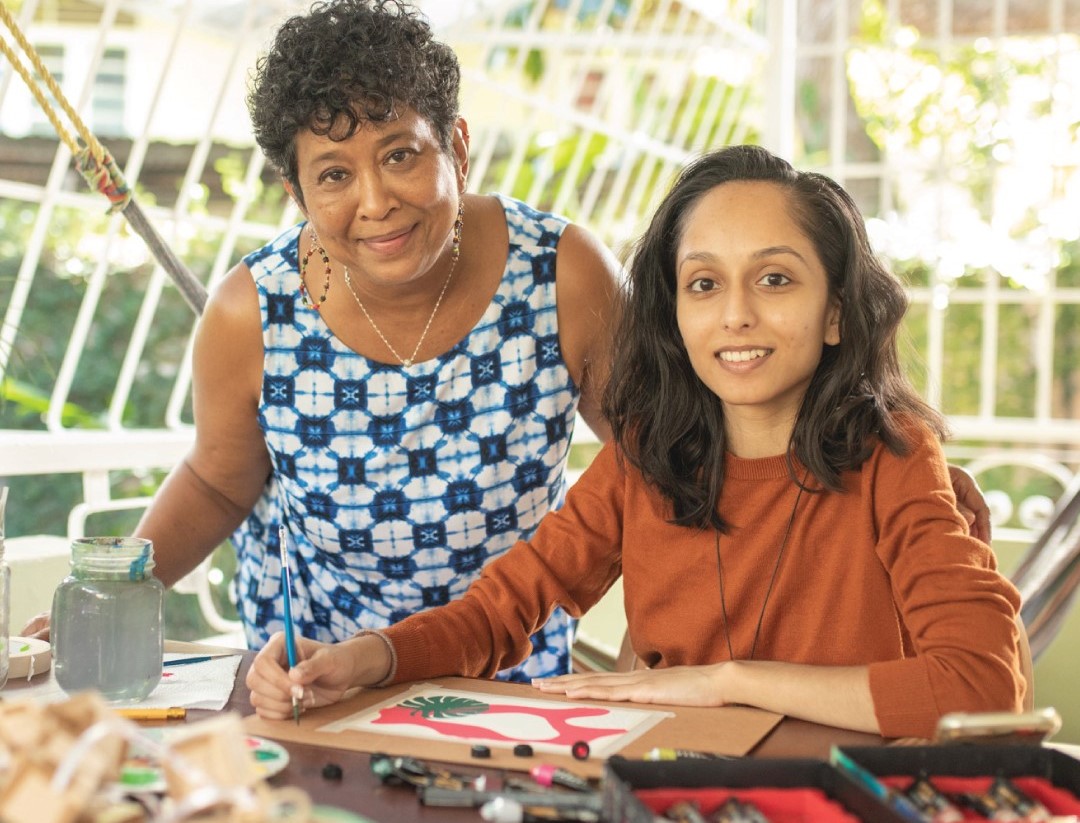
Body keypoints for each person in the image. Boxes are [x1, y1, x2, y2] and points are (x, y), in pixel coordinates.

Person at [22, 1, 992, 679]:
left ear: (457, 145)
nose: (375, 201)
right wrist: (109, 591)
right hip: (313, 669)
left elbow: (670, 449)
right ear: (295, 191)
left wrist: (888, 466)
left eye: (402, 153)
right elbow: (217, 479)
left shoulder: (561, 270)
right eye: (333, 175)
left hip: (509, 674)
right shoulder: (252, 310)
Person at [245, 145, 1026, 740]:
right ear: (676, 314)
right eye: (704, 283)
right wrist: (363, 659)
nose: (736, 315)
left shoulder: (897, 458)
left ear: (836, 313)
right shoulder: (647, 457)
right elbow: (496, 612)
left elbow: (984, 690)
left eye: (777, 279)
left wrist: (724, 681)